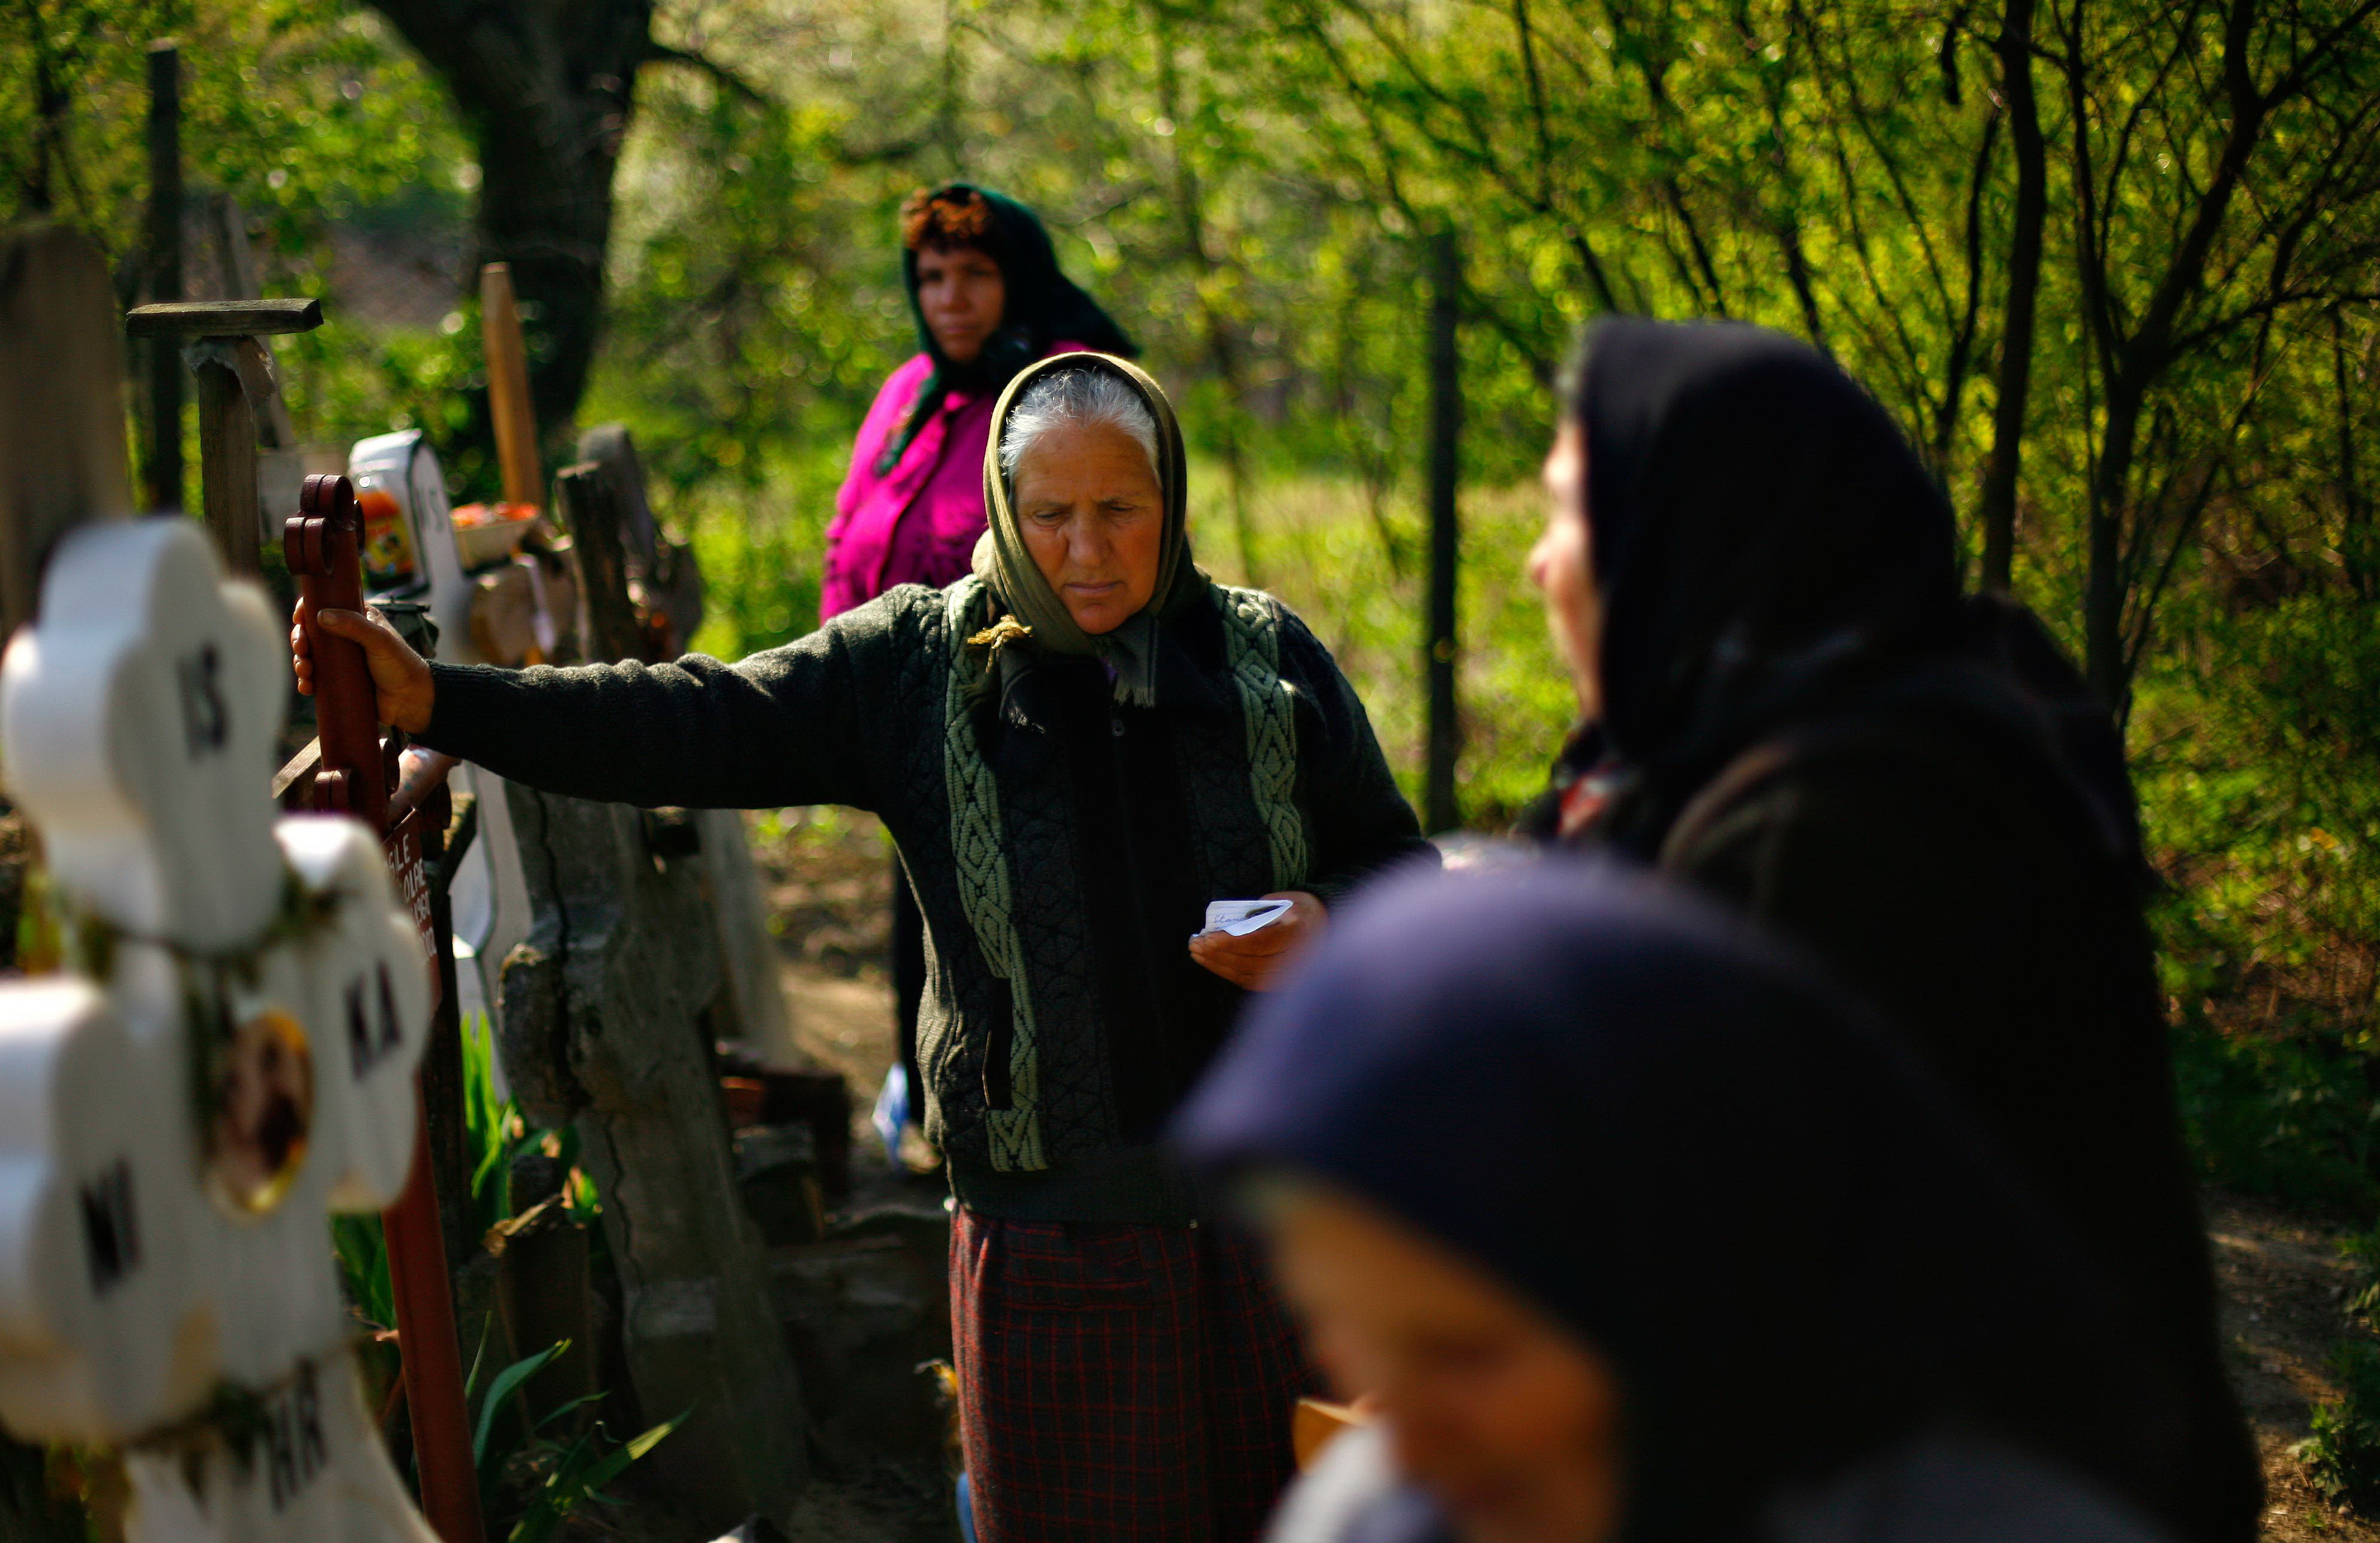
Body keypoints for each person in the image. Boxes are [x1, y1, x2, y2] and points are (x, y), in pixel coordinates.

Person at [300, 351, 1432, 1543]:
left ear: (1174, 504)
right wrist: (444, 704)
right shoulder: (918, 669)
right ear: (1004, 507)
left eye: (1121, 511)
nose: (1087, 551)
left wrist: (1329, 925)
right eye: (1050, 515)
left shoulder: (1266, 662)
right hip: (1055, 1251)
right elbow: (694, 720)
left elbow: (1397, 867)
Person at [1513, 318, 2257, 1543]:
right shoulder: (1773, 759)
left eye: (1566, 513)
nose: (1540, 566)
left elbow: (1728, 1290)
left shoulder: (1853, 830)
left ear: (1690, 533)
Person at [1175, 858, 2187, 1543]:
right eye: (1344, 1340)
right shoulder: (1384, 1512)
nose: (1400, 1431)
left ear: (1695, 1278)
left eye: (1466, 1354)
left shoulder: (1986, 1519)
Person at [823, 183, 1139, 1156]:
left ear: (1019, 281)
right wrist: (846, 689)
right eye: (932, 276)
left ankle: (1027, 1134)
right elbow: (850, 535)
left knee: (1013, 929)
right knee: (913, 914)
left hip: (1027, 720)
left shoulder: (1058, 398)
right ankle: (926, 1114)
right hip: (907, 714)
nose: (951, 297)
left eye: (975, 274)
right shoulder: (907, 392)